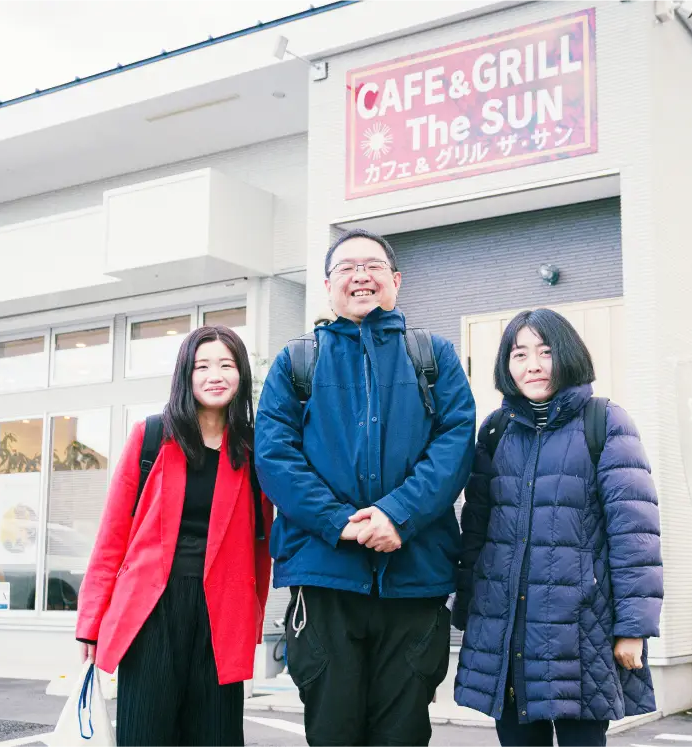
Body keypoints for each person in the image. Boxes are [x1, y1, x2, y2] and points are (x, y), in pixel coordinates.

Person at [255, 228, 476, 746]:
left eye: (373, 266)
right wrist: (340, 523)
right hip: (326, 577)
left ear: (396, 280)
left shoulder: (433, 356)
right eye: (347, 267)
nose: (361, 276)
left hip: (414, 576)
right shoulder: (297, 362)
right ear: (327, 285)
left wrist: (398, 514)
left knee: (403, 733)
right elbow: (275, 456)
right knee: (332, 730)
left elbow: (455, 443)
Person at [452, 308, 663, 747]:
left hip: (579, 632)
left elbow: (635, 536)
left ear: (568, 354)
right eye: (519, 354)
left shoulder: (605, 422)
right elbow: (477, 531)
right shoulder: (496, 430)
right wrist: (468, 609)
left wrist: (633, 629)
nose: (532, 365)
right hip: (508, 631)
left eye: (545, 352)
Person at [76, 325, 273, 747]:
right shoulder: (150, 437)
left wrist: (253, 616)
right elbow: (112, 536)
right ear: (186, 374)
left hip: (222, 613)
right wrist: (91, 622)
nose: (215, 375)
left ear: (241, 375)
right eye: (202, 366)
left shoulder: (254, 449)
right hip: (151, 611)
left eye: (226, 365)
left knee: (217, 736)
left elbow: (262, 542)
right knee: (144, 734)